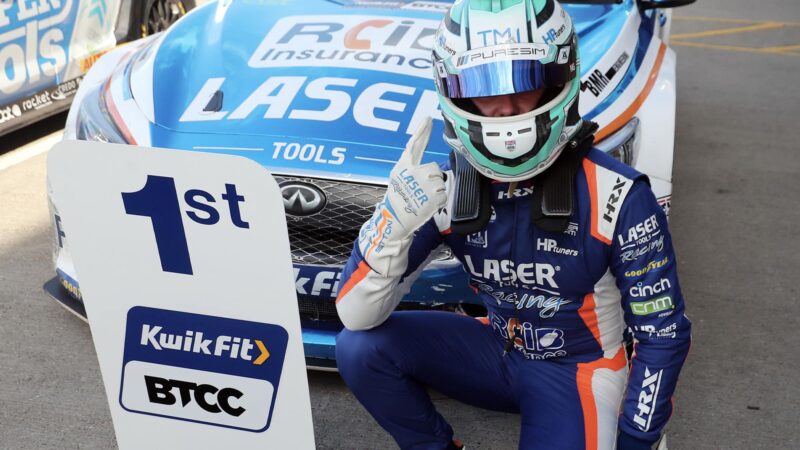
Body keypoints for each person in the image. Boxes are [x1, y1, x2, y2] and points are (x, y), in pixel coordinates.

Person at [334, 1, 691, 449]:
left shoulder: (619, 194)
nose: (505, 109)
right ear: (453, 91)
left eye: (524, 81)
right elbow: (354, 315)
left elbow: (662, 334)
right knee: (359, 348)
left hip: (580, 369)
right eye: (482, 86)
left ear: (560, 79)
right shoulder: (443, 186)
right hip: (496, 349)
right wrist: (392, 224)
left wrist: (638, 436)